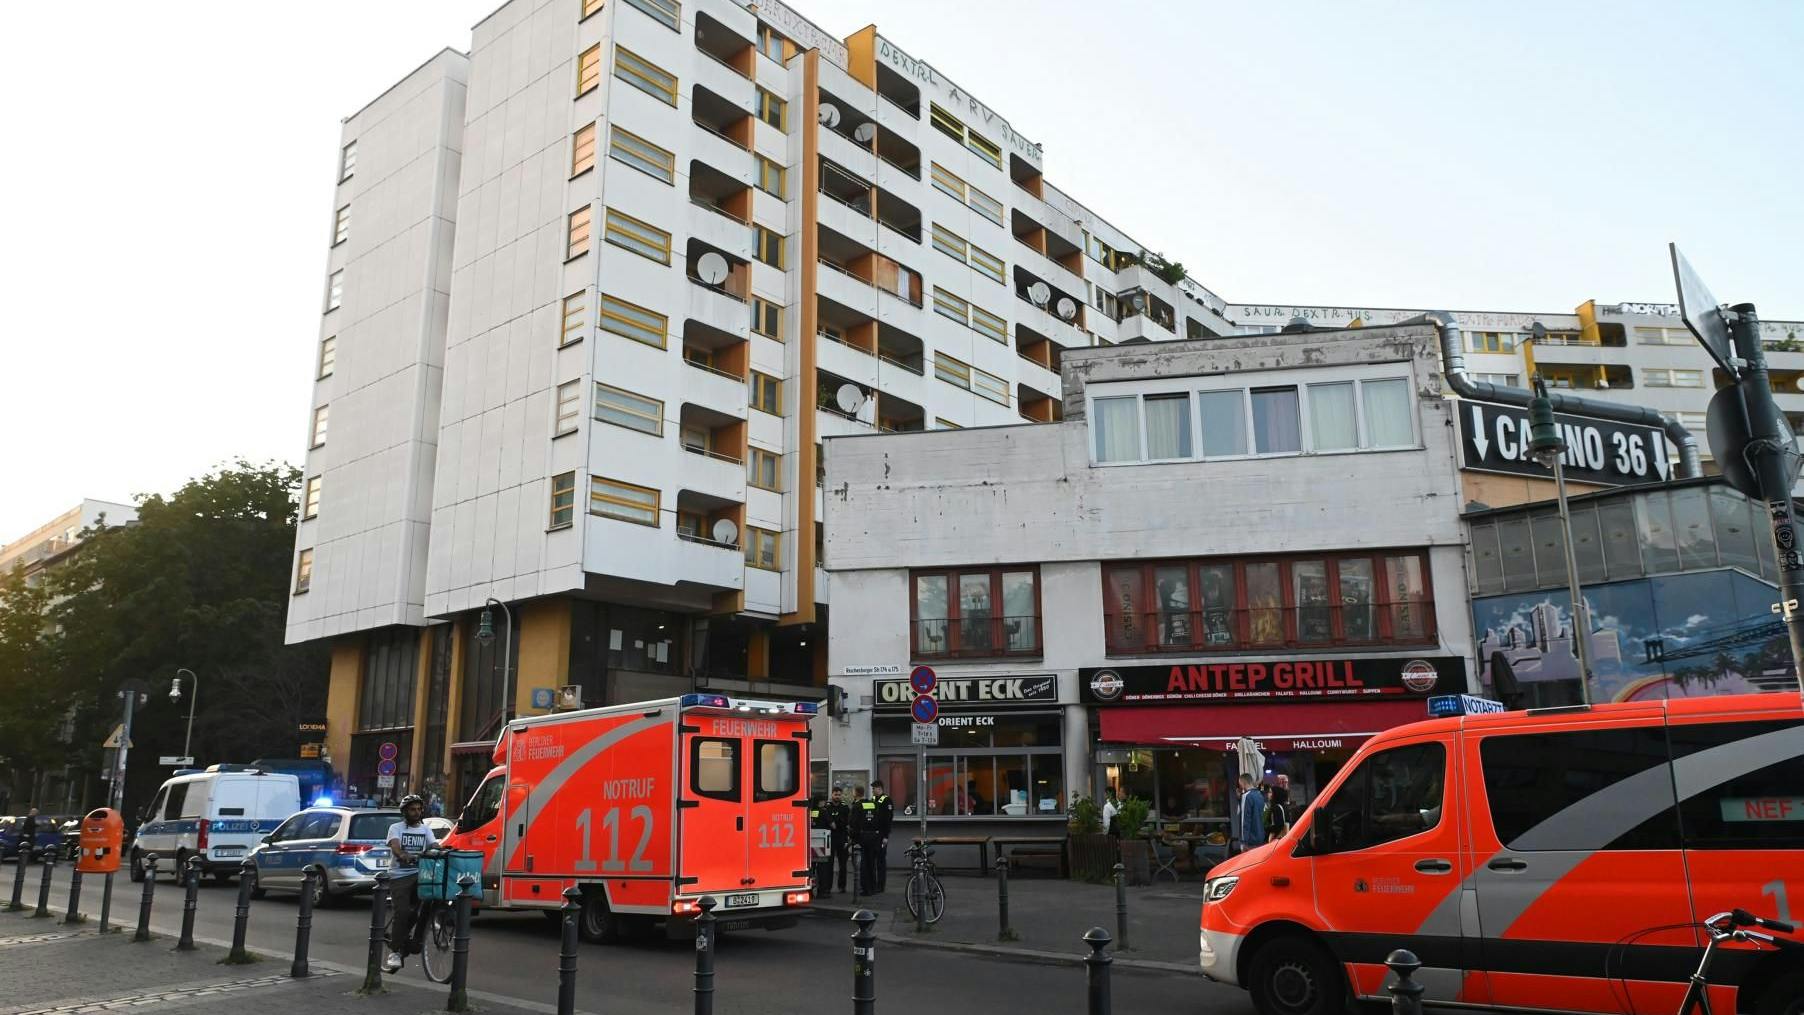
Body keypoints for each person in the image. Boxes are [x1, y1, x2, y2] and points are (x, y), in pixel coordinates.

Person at [383, 794, 439, 972]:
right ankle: (394, 952)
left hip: (420, 874)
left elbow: (433, 845)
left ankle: (415, 939)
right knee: (402, 912)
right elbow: (395, 846)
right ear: (405, 811)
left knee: (424, 905)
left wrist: (441, 850)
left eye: (419, 809)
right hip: (399, 875)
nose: (416, 812)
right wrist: (402, 855)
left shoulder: (425, 829)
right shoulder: (395, 828)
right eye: (412, 809)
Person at [851, 785, 881, 895]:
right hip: (874, 836)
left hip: (862, 836)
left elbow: (853, 823)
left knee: (863, 864)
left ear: (855, 793)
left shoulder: (857, 806)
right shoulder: (873, 804)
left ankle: (866, 889)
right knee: (872, 863)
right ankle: (873, 887)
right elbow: (879, 819)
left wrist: (853, 838)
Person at [824, 786, 851, 896]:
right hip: (830, 838)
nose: (837, 797)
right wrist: (834, 822)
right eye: (835, 794)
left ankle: (842, 886)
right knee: (828, 864)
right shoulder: (827, 807)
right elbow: (826, 821)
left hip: (842, 837)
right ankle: (828, 887)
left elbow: (847, 822)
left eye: (839, 795)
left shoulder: (845, 807)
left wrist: (836, 823)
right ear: (832, 795)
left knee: (843, 865)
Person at [870, 781, 894, 893]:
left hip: (881, 834)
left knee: (880, 861)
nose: (872, 790)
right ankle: (873, 884)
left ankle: (880, 885)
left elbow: (888, 820)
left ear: (879, 788)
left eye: (874, 788)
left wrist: (885, 836)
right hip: (873, 834)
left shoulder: (886, 800)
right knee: (872, 860)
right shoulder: (873, 800)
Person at [1235, 774, 1266, 854]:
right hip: (1261, 837)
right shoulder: (1260, 795)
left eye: (1240, 784)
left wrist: (1243, 842)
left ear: (1243, 783)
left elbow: (1244, 820)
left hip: (1250, 841)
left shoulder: (1246, 797)